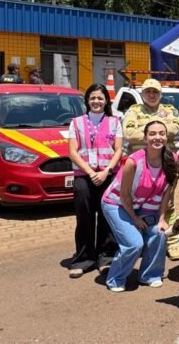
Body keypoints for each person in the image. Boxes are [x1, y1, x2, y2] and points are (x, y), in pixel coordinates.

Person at [101, 120, 177, 292]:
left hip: (144, 205)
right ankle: (115, 278)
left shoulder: (171, 159)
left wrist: (163, 218)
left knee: (159, 232)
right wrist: (134, 218)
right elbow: (124, 194)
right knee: (134, 243)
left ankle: (150, 275)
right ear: (145, 138)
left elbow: (167, 192)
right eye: (152, 134)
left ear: (166, 137)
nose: (157, 137)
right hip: (118, 204)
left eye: (161, 133)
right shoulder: (133, 162)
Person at [121, 78, 179, 261]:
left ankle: (170, 242)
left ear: (160, 94)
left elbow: (177, 128)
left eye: (155, 92)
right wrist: (159, 130)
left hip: (165, 162)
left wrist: (148, 130)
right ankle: (141, 240)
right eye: (148, 91)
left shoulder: (169, 110)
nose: (152, 94)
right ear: (142, 94)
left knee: (168, 202)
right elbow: (128, 134)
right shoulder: (134, 110)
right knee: (139, 202)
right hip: (141, 164)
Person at [67, 84, 123, 278]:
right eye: (92, 98)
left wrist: (106, 171)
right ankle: (84, 259)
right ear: (87, 101)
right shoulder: (76, 123)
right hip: (85, 175)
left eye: (100, 98)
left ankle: (105, 258)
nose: (96, 102)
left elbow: (118, 150)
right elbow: (73, 152)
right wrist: (91, 172)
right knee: (84, 217)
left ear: (106, 101)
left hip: (108, 175)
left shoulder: (115, 122)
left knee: (107, 217)